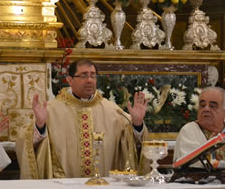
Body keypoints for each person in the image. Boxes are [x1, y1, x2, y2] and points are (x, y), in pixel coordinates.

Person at [16, 59, 149, 179]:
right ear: (69, 80)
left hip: (103, 188)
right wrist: (40, 126)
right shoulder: (51, 110)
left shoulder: (113, 111)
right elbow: (25, 142)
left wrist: (137, 124)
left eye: (93, 75)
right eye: (84, 75)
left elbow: (130, 146)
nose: (89, 80)